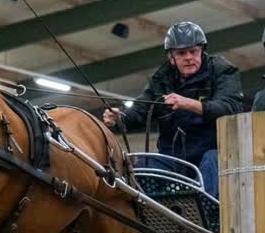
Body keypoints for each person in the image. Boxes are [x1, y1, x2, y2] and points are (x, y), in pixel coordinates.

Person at [102, 21, 243, 198]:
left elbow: (230, 107)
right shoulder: (161, 79)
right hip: (173, 158)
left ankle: (204, 209)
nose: (189, 57)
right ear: (171, 57)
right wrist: (119, 117)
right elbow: (140, 110)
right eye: (181, 53)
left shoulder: (222, 70)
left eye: (193, 51)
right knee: (141, 165)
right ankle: (149, 210)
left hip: (213, 152)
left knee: (212, 160)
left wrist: (188, 103)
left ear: (202, 50)